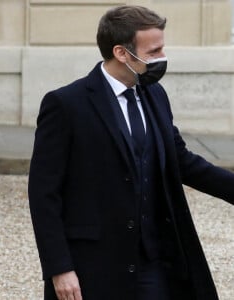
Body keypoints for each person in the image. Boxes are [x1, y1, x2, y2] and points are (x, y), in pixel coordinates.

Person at [28, 5, 234, 300]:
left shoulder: (155, 95)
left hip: (154, 262)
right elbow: (43, 192)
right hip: (94, 265)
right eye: (154, 51)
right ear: (122, 53)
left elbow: (182, 161)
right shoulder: (66, 105)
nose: (162, 58)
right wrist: (59, 268)